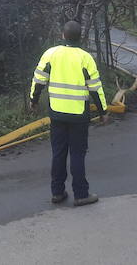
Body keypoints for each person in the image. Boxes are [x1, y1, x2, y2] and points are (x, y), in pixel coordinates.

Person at [29, 20, 108, 207]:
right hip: (79, 115)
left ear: (62, 35)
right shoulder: (85, 58)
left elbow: (38, 80)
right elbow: (96, 88)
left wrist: (33, 101)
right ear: (80, 37)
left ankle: (57, 192)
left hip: (57, 114)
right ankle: (81, 194)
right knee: (77, 154)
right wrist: (104, 111)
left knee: (58, 153)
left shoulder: (51, 54)